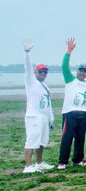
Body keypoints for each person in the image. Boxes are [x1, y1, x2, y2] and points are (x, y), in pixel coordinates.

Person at [58, 38, 86, 170]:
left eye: (85, 71)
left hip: (82, 114)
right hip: (69, 113)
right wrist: (69, 51)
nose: (83, 73)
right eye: (81, 71)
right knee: (67, 138)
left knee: (80, 138)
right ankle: (62, 161)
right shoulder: (70, 80)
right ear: (77, 71)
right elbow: (64, 66)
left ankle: (77, 159)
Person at [22, 40, 55, 173]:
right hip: (33, 116)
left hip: (43, 117)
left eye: (45, 72)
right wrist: (27, 53)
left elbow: (48, 103)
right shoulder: (31, 82)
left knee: (42, 141)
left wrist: (51, 118)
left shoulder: (45, 86)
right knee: (31, 141)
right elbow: (28, 68)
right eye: (40, 71)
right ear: (36, 72)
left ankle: (39, 163)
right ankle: (28, 166)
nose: (43, 73)